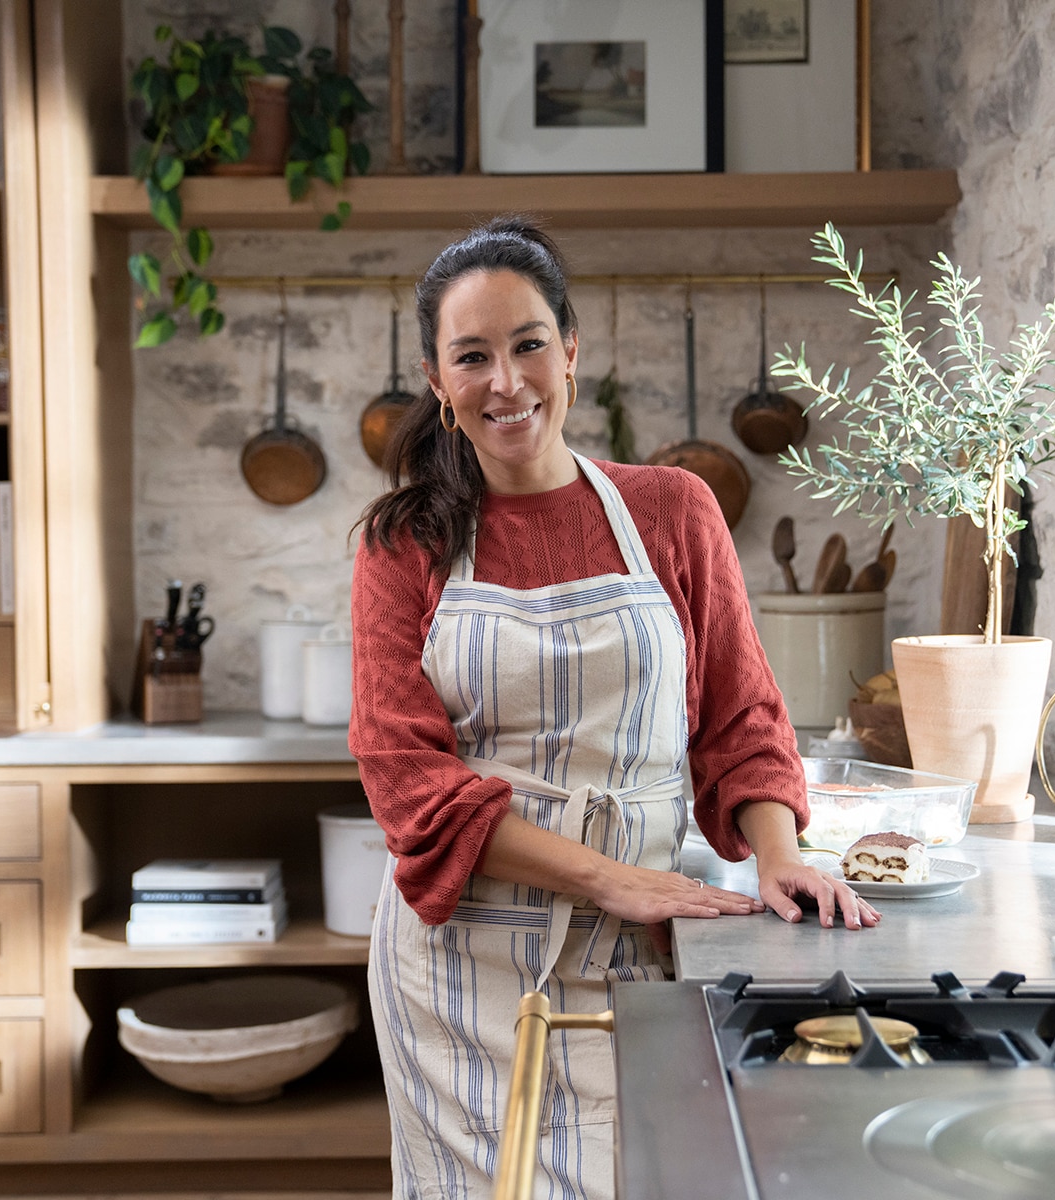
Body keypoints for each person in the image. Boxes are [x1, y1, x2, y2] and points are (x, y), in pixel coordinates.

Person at [348, 216, 879, 1200]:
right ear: (437, 381)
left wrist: (779, 858)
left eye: (528, 345)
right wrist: (608, 878)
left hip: (638, 946)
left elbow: (739, 711)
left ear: (572, 351)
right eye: (472, 357)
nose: (505, 381)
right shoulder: (404, 542)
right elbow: (409, 782)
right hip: (462, 970)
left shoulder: (672, 508)